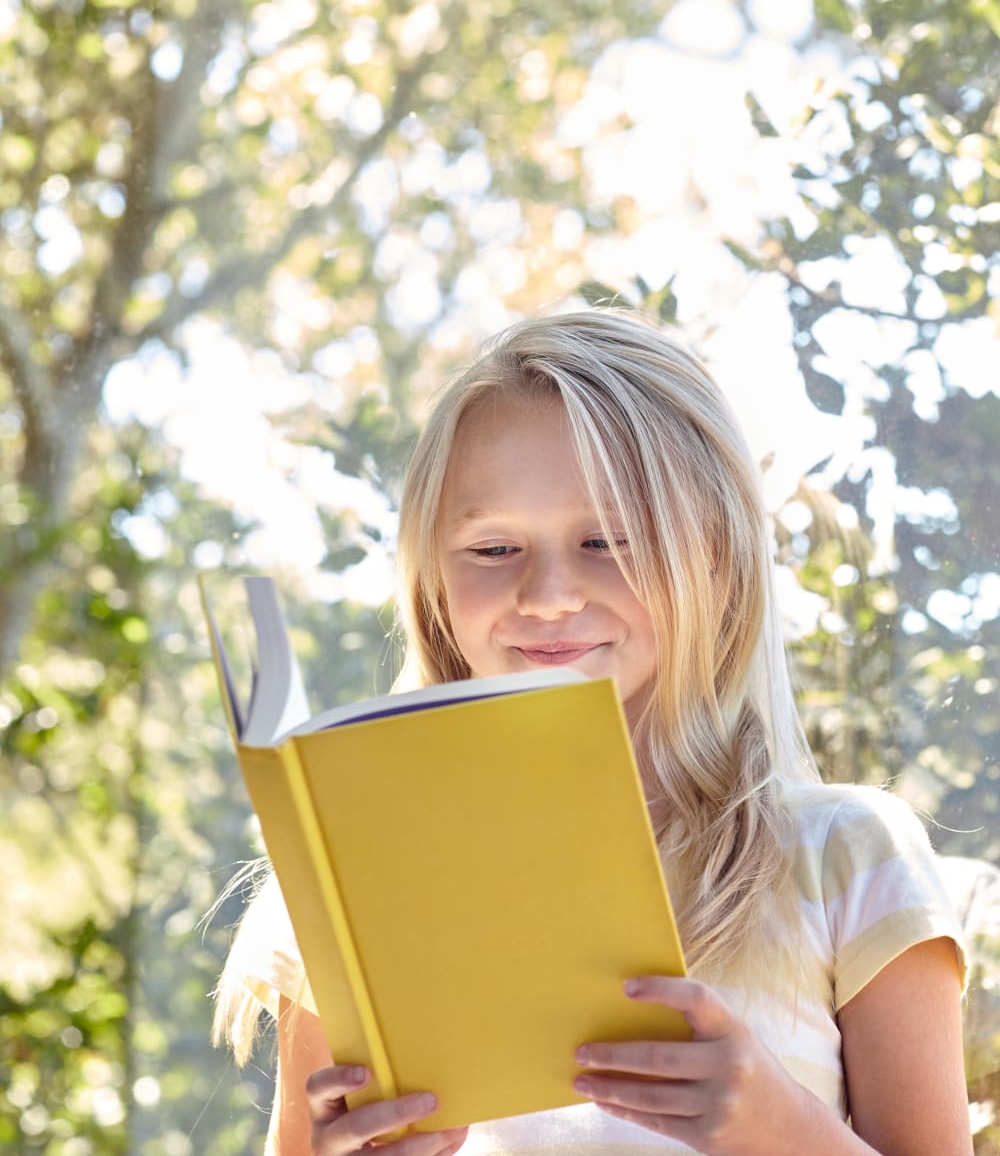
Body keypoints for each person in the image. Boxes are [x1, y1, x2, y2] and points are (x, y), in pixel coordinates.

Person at [213, 309, 972, 1156]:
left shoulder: (847, 856)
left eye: (608, 540)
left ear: (716, 559)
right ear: (432, 583)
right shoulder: (352, 888)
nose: (547, 595)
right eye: (494, 548)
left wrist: (778, 1129)